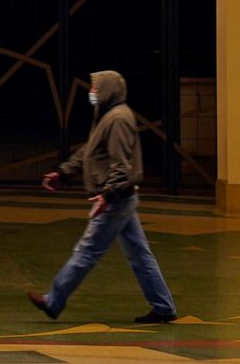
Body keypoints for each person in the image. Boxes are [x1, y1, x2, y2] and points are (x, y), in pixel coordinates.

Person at [26, 70, 177, 324]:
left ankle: (54, 301)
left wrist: (107, 194)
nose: (92, 93)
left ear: (107, 90)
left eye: (95, 88)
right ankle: (163, 306)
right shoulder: (107, 116)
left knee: (87, 250)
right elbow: (90, 152)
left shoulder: (117, 119)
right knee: (140, 254)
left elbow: (121, 164)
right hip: (121, 197)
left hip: (115, 199)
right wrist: (63, 173)